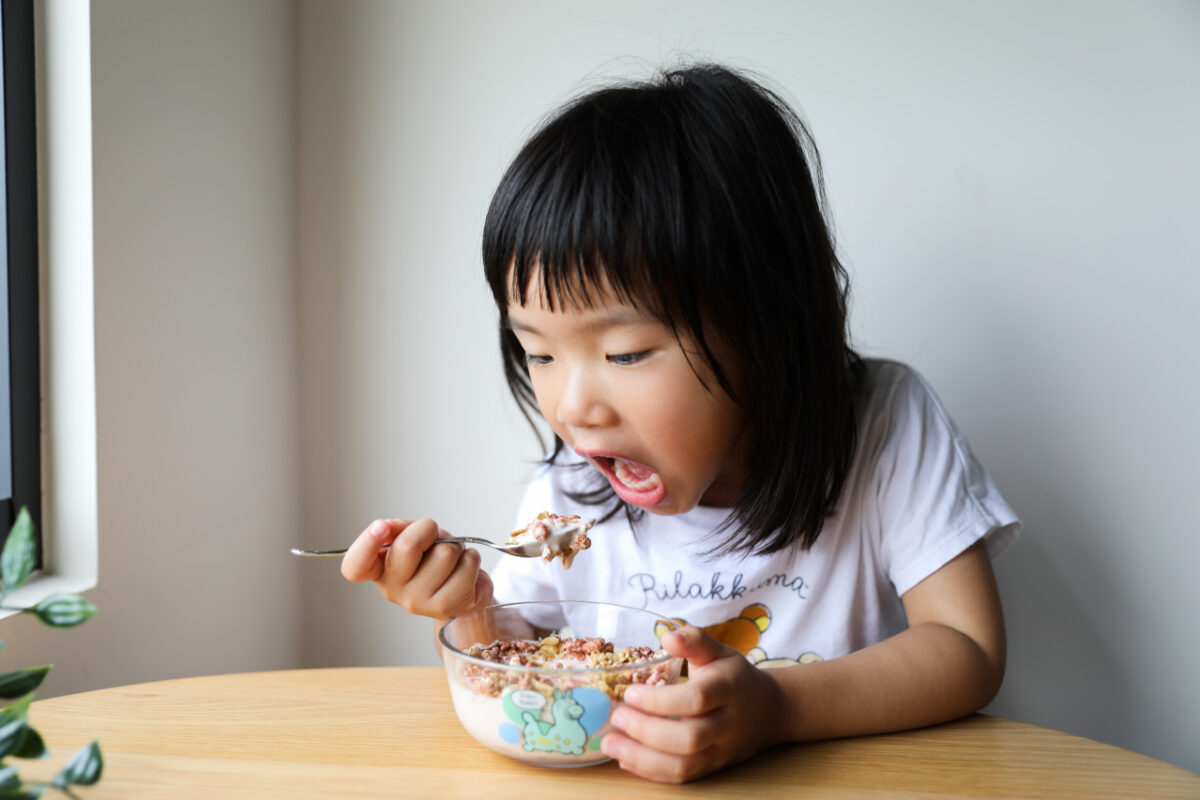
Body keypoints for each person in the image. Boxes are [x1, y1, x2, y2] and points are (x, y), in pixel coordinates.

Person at [341, 62, 1020, 783]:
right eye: (538, 352)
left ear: (764, 326)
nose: (572, 409)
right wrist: (469, 607)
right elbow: (523, 661)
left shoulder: (883, 427)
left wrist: (777, 708)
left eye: (626, 353)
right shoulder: (570, 490)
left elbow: (966, 647)